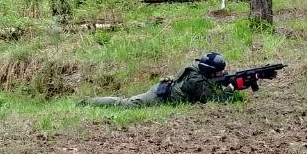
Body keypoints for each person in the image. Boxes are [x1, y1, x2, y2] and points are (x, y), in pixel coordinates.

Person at [81, 52, 234, 109]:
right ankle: (87, 102)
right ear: (209, 71)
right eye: (218, 72)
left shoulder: (197, 68)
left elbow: (213, 81)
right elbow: (214, 101)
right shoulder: (197, 80)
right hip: (159, 98)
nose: (221, 73)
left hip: (164, 90)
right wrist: (231, 88)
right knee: (123, 103)